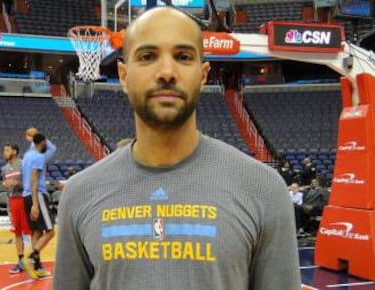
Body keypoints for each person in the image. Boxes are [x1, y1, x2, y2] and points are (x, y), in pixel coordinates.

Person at [54, 7, 301, 290]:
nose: (167, 72)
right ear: (123, 75)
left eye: (183, 57)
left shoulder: (264, 189)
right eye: (147, 56)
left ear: (204, 74)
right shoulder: (80, 193)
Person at [22, 133, 56, 279]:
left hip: (26, 195)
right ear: (42, 142)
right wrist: (35, 204)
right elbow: (34, 179)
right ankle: (31, 257)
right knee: (50, 231)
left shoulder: (27, 156)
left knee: (37, 232)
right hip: (37, 195)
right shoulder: (39, 157)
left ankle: (37, 267)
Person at [1, 143, 31, 274]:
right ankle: (21, 262)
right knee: (17, 233)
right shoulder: (4, 169)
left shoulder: (24, 164)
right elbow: (7, 190)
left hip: (24, 200)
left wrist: (17, 183)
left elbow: (31, 183)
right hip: (13, 203)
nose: (4, 153)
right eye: (4, 150)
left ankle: (36, 261)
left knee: (31, 232)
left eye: (7, 150)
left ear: (15, 151)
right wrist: (9, 209)